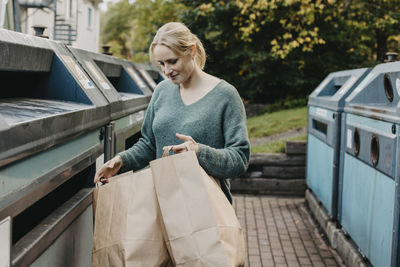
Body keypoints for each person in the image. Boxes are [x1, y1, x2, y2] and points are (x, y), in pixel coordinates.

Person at [94, 22, 250, 203]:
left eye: (172, 61)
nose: (166, 71)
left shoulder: (225, 95)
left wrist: (199, 151)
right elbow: (149, 145)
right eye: (161, 64)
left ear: (191, 51)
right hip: (163, 204)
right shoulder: (162, 91)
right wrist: (120, 161)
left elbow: (239, 158)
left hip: (206, 210)